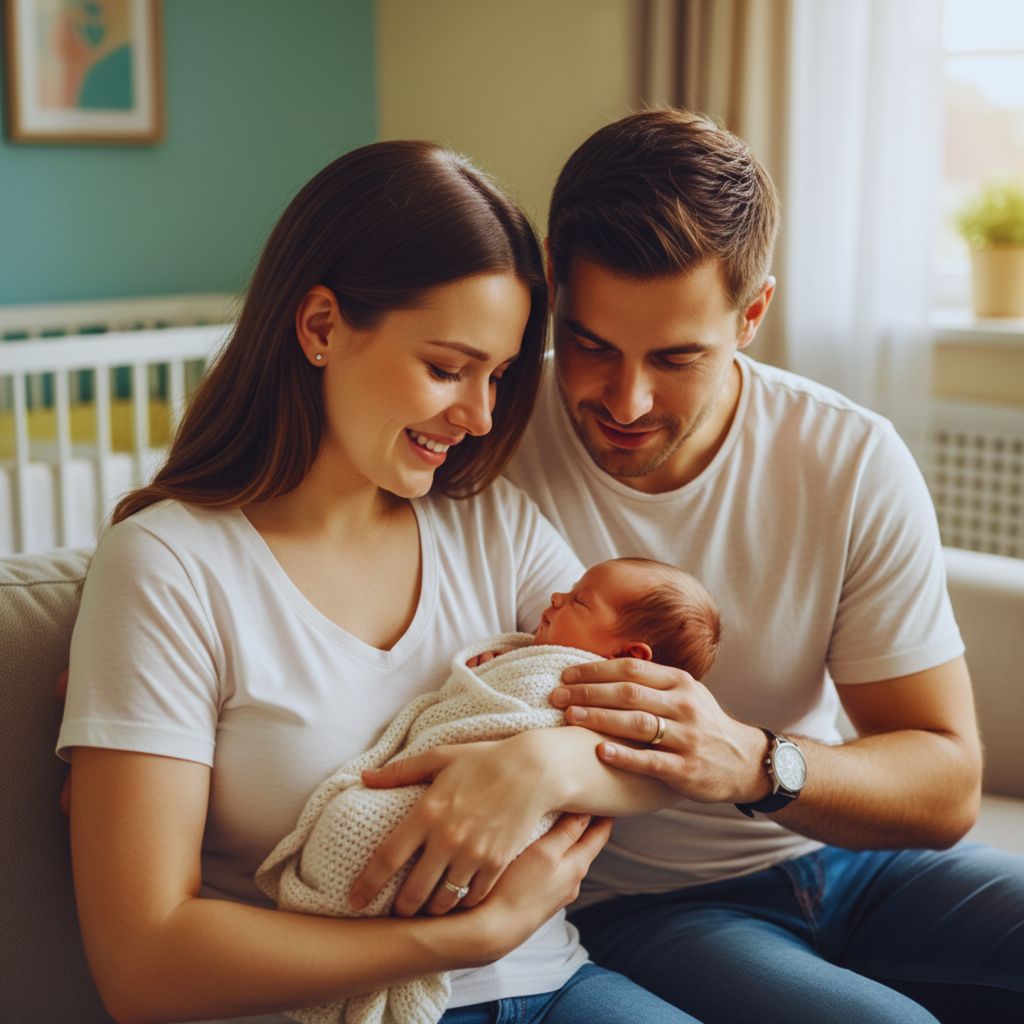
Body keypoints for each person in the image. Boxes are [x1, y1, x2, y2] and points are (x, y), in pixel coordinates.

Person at [357, 110, 1024, 1024]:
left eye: (676, 358)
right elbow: (278, 503)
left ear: (752, 315)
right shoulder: (476, 436)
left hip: (856, 861)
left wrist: (753, 763)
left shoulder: (845, 457)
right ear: (553, 278)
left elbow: (946, 784)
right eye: (591, 344)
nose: (624, 401)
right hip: (646, 907)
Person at [56, 141, 701, 1024]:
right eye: (447, 368)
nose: (478, 417)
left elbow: (672, 742)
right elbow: (145, 964)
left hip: (556, 987)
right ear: (320, 327)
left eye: (499, 376)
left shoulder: (494, 528)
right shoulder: (170, 569)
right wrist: (468, 937)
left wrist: (540, 761)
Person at [256, 557, 719, 1024]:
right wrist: (493, 674)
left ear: (632, 658)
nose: (556, 598)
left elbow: (674, 766)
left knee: (359, 825)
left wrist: (538, 757)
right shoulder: (536, 655)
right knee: (355, 824)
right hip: (370, 952)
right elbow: (474, 706)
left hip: (551, 962)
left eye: (578, 599)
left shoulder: (592, 683)